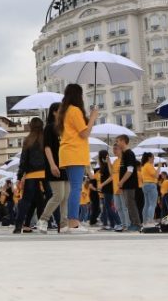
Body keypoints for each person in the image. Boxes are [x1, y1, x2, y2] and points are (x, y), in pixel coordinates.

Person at [56, 84, 98, 234]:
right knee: (76, 188)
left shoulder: (65, 111)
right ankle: (73, 222)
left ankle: (71, 222)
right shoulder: (74, 110)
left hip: (70, 153)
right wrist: (93, 117)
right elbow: (84, 133)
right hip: (74, 153)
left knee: (74, 188)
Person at [14, 117, 47, 234]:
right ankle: (45, 224)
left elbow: (23, 160)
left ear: (31, 126)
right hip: (45, 174)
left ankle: (18, 226)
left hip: (31, 175)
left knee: (26, 201)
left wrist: (19, 177)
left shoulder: (28, 140)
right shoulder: (45, 139)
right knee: (45, 200)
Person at [38, 103, 67, 233]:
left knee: (65, 196)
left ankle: (64, 224)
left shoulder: (64, 128)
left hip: (66, 165)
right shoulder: (49, 128)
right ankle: (43, 220)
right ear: (55, 112)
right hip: (54, 165)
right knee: (58, 195)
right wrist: (52, 165)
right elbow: (47, 147)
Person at [115, 135, 141, 232]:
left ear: (123, 141)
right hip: (126, 184)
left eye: (118, 141)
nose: (117, 143)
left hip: (130, 184)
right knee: (128, 204)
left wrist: (121, 182)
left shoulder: (129, 153)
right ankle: (133, 223)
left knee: (130, 204)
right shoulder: (124, 154)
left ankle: (136, 224)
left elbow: (130, 170)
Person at [96, 149, 122, 231]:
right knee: (107, 207)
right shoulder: (104, 166)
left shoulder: (108, 165)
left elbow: (112, 177)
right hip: (106, 188)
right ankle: (112, 224)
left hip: (108, 188)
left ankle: (118, 222)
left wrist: (102, 184)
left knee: (108, 207)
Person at [140, 152, 159, 228]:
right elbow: (156, 175)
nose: (154, 159)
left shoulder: (144, 166)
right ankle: (150, 221)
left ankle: (144, 221)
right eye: (153, 157)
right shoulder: (149, 165)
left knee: (146, 204)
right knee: (152, 204)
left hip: (145, 185)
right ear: (149, 158)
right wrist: (159, 168)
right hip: (151, 184)